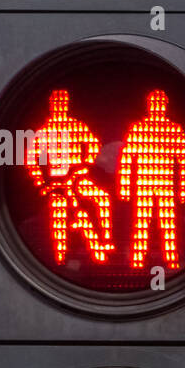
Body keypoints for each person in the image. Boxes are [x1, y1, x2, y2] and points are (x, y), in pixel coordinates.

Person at [27, 88, 114, 264]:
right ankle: (60, 257)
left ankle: (105, 240)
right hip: (55, 184)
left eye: (62, 103)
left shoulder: (76, 126)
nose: (59, 106)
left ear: (65, 105)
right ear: (52, 106)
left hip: (78, 178)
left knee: (102, 198)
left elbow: (94, 146)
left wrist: (83, 166)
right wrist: (41, 182)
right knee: (59, 216)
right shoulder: (43, 132)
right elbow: (31, 160)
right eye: (56, 103)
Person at [118, 88, 185, 270]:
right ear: (149, 105)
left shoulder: (174, 129)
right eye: (154, 103)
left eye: (160, 103)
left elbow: (184, 161)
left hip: (165, 185)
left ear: (165, 106)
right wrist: (125, 186)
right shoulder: (139, 128)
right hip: (144, 185)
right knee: (142, 224)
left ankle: (170, 259)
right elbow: (127, 159)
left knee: (167, 224)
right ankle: (138, 259)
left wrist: (184, 187)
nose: (157, 107)